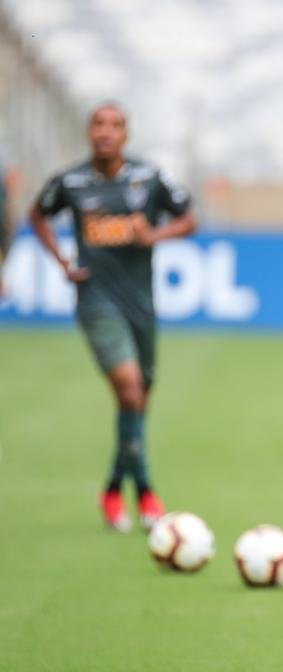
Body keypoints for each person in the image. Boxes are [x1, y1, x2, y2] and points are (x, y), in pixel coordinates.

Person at [29, 102, 196, 532]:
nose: (105, 132)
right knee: (129, 388)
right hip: (96, 301)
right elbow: (37, 213)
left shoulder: (150, 177)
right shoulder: (71, 181)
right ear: (89, 133)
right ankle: (146, 491)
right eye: (98, 124)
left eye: (115, 125)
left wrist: (154, 235)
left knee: (140, 399)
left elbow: (189, 219)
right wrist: (63, 262)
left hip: (141, 305)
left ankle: (111, 487)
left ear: (127, 134)